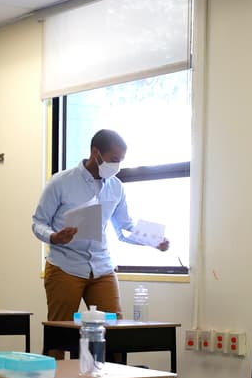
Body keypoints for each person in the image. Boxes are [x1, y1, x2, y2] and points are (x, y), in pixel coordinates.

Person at [31, 128, 170, 322]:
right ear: (95, 153)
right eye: (114, 159)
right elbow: (38, 222)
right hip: (65, 265)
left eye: (121, 160)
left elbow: (124, 227)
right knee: (60, 331)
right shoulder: (61, 182)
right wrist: (54, 237)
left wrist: (154, 240)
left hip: (101, 266)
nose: (117, 166)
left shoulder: (116, 187)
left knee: (115, 328)